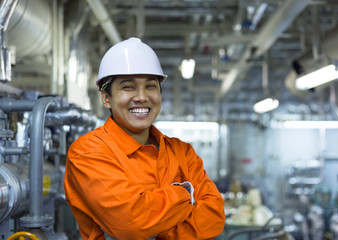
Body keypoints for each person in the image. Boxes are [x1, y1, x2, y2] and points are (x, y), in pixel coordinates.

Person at [64, 37, 225, 240]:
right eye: (128, 87)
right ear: (106, 98)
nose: (141, 97)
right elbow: (131, 222)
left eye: (150, 86)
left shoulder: (183, 152)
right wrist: (186, 194)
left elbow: (214, 217)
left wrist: (154, 226)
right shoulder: (88, 152)